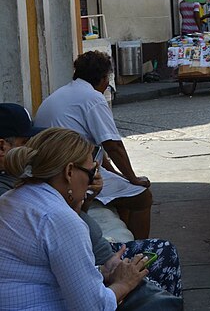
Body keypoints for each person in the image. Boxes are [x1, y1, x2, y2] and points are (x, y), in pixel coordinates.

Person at [0, 128, 152, 309]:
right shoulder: (58, 218)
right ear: (69, 172)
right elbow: (93, 307)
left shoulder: (12, 197)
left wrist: (100, 271)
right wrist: (124, 283)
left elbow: (37, 271)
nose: (92, 181)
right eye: (91, 172)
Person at [35, 51, 153, 239]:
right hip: (67, 173)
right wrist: (133, 179)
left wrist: (119, 175)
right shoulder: (92, 97)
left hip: (53, 167)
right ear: (104, 78)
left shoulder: (67, 92)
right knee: (142, 197)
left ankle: (124, 244)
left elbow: (97, 149)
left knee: (123, 191)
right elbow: (113, 146)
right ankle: (139, 252)